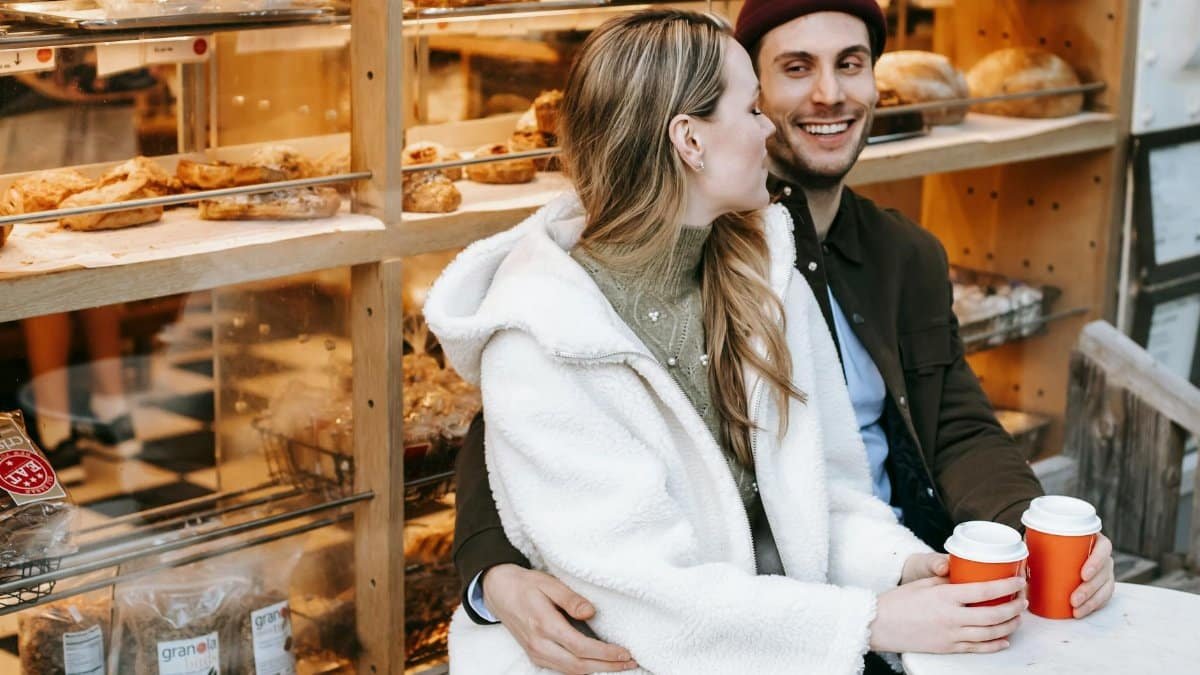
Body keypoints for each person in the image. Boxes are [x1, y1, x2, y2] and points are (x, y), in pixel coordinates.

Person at [449, 2, 1117, 673]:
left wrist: (1001, 540)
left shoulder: (816, 264)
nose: (827, 94)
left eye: (850, 64)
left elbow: (904, 453)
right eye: (792, 72)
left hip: (827, 608)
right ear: (693, 136)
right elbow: (522, 440)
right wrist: (492, 566)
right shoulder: (554, 321)